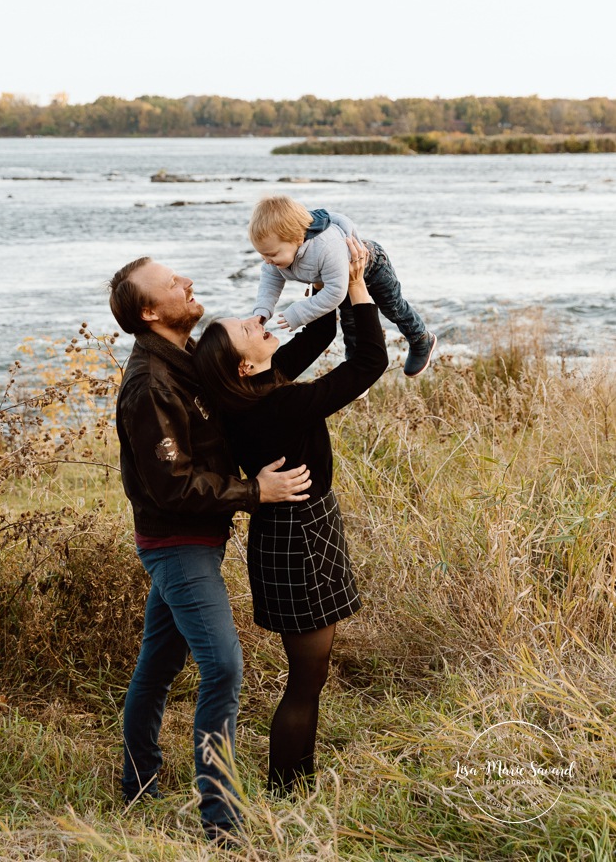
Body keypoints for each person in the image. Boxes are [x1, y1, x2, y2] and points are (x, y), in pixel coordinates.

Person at [107, 255, 312, 843]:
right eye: (172, 283)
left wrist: (324, 302)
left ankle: (139, 779)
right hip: (178, 544)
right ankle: (222, 822)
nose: (187, 282)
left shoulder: (186, 359)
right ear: (149, 311)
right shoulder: (150, 384)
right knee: (222, 665)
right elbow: (171, 484)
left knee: (159, 662)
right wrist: (256, 491)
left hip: (195, 539)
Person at [193, 238, 388, 794]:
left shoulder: (252, 389)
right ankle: (287, 791)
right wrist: (355, 287)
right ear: (246, 363)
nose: (261, 321)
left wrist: (321, 281)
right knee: (306, 681)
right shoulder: (275, 405)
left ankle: (300, 782)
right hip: (299, 538)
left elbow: (321, 333)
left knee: (311, 678)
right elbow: (370, 362)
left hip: (294, 530)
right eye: (251, 329)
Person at [249, 195, 436, 378]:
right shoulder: (275, 257)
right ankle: (357, 369)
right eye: (262, 255)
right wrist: (262, 312)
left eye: (271, 254)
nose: (267, 261)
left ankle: (420, 339)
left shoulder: (326, 247)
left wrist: (299, 313)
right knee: (350, 321)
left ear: (298, 239)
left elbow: (335, 293)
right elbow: (270, 282)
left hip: (373, 266)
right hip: (337, 277)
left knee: (393, 307)